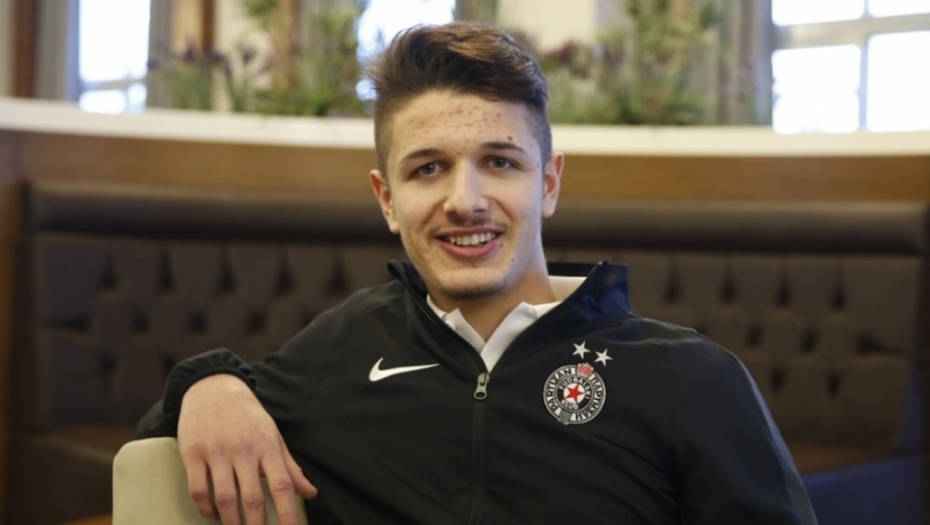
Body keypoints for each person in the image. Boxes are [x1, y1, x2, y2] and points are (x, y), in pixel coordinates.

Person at [138, 22, 818, 525]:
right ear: (387, 199)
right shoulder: (344, 346)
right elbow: (160, 446)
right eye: (428, 167)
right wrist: (209, 384)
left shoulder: (690, 377)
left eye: (499, 162)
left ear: (548, 183)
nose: (464, 200)